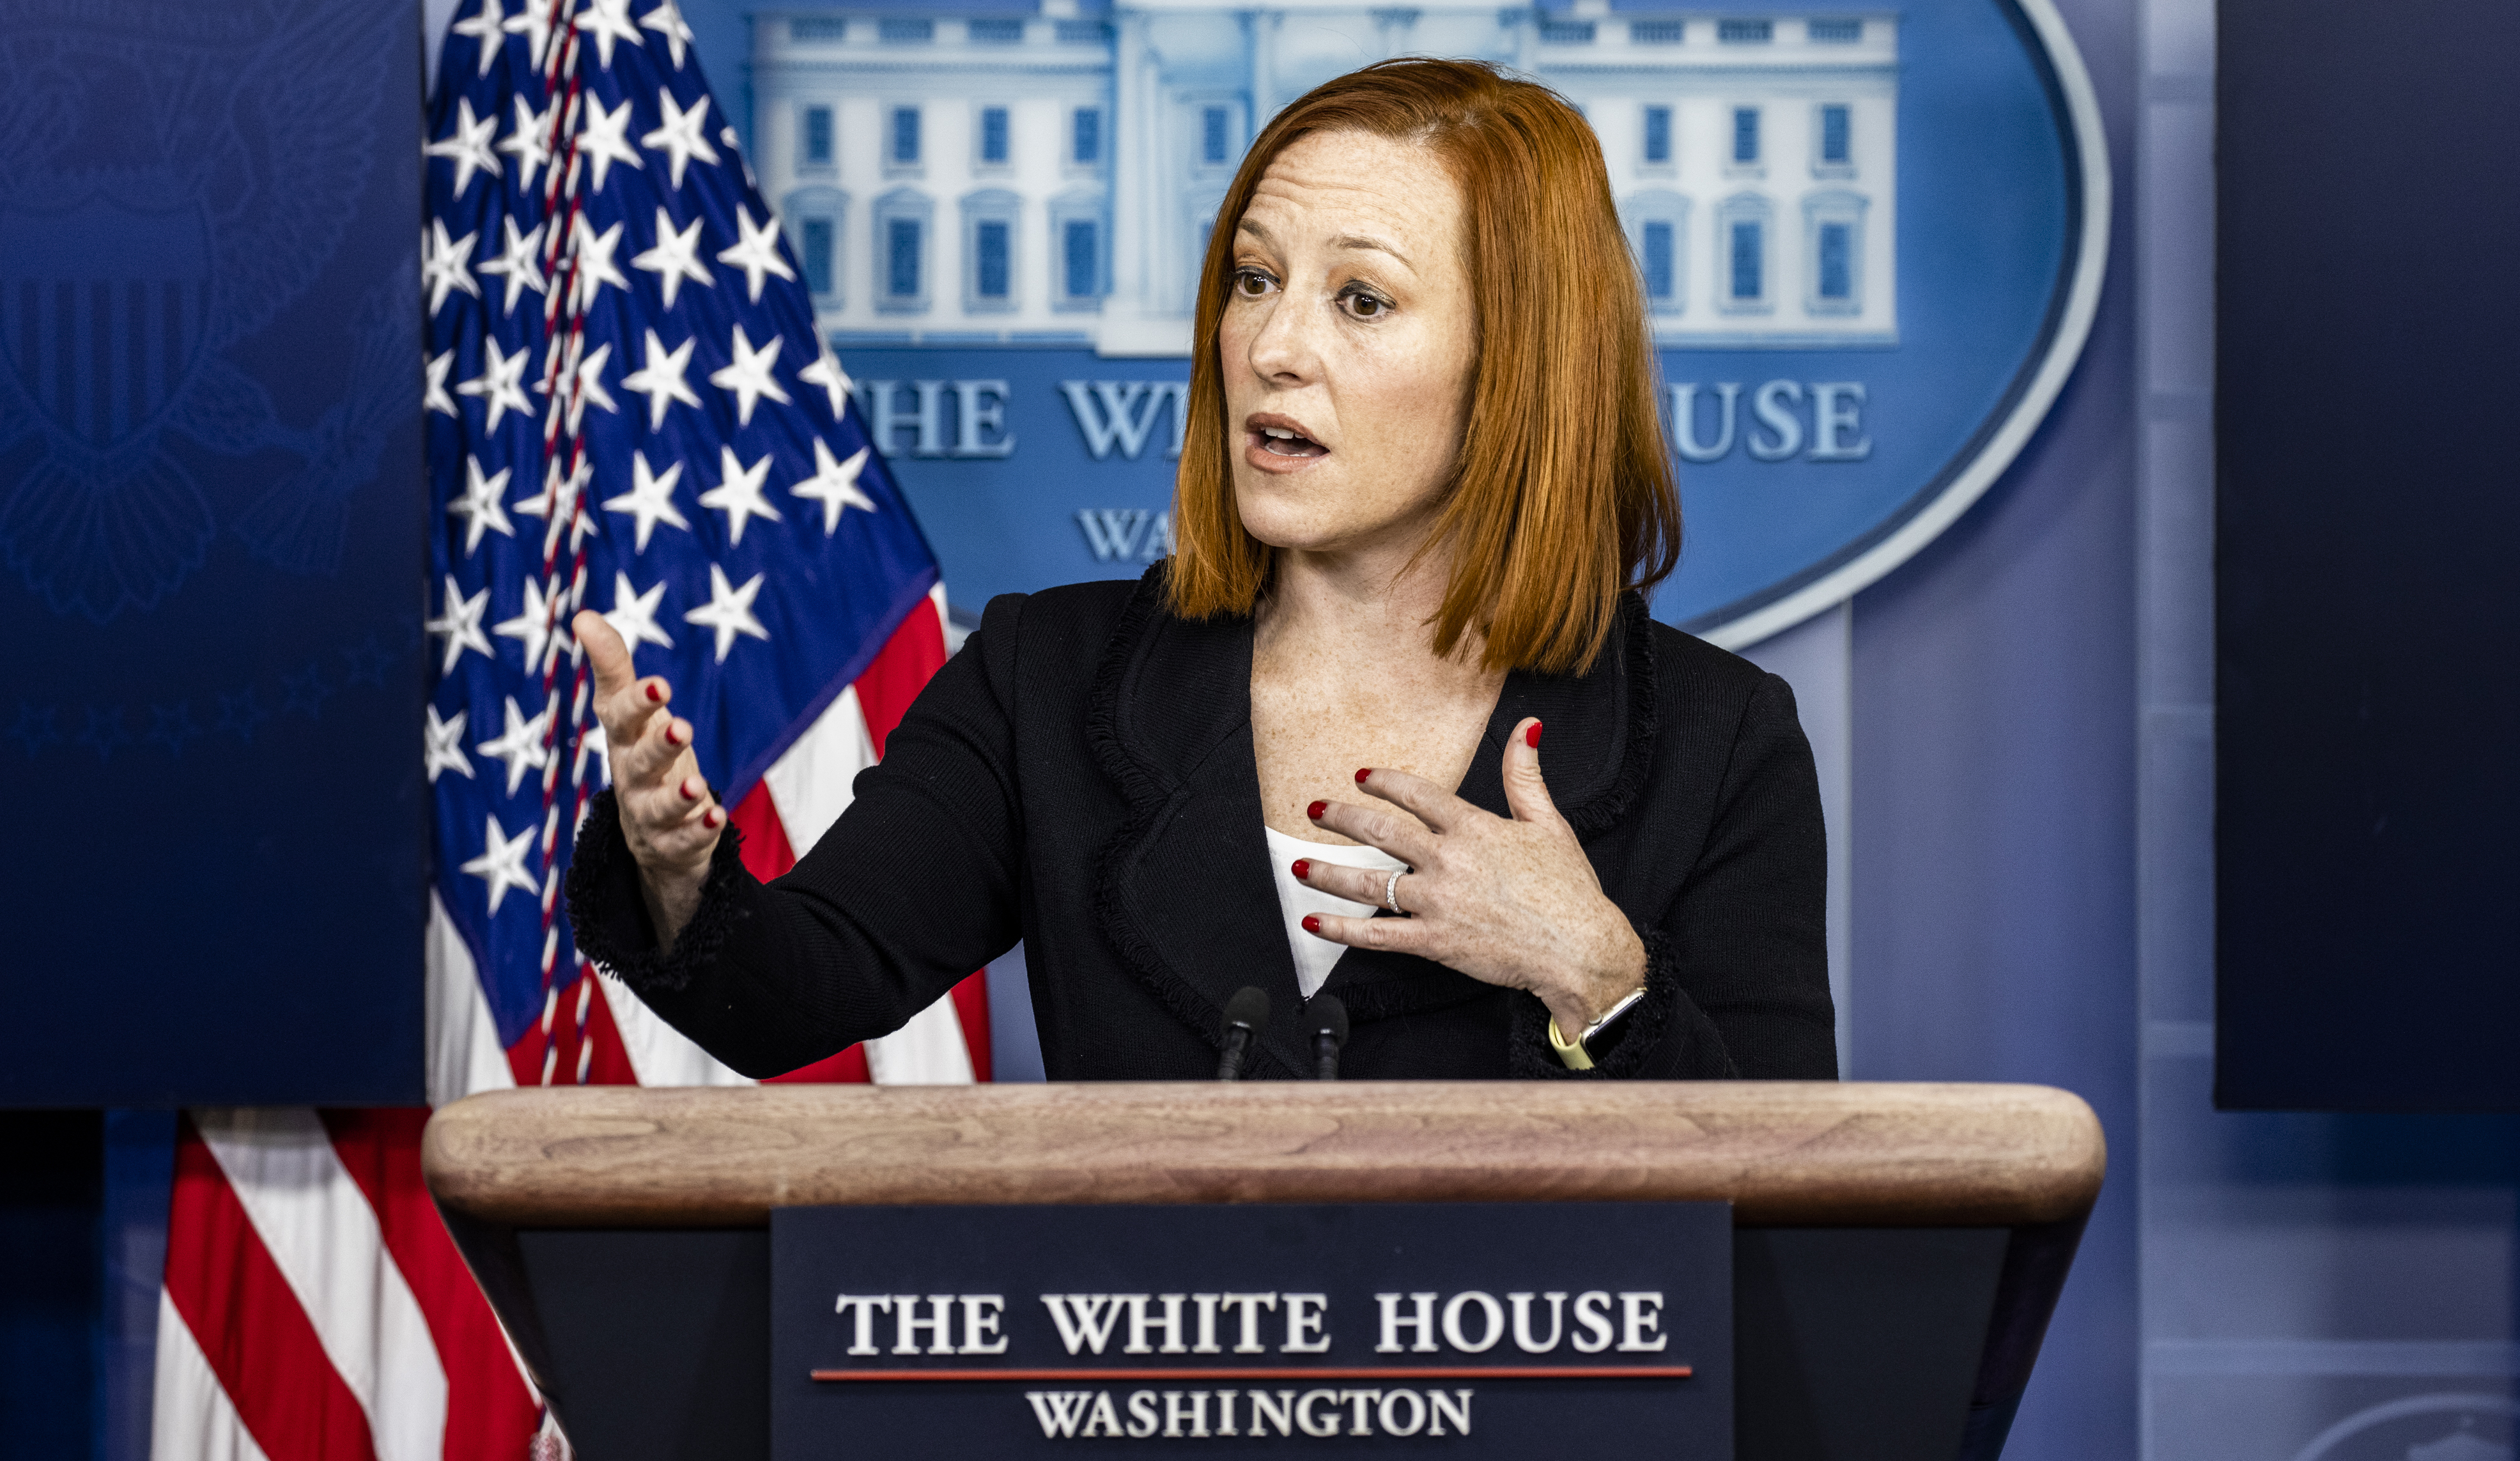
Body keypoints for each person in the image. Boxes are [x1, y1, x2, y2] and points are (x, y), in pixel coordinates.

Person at [566, 58, 1835, 1082]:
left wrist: (1598, 972)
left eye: (1362, 301)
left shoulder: (1720, 741)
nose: (1272, 344)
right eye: (1254, 278)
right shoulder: (1043, 680)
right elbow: (795, 993)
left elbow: (1797, 1223)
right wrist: (676, 877)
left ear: (1520, 371)